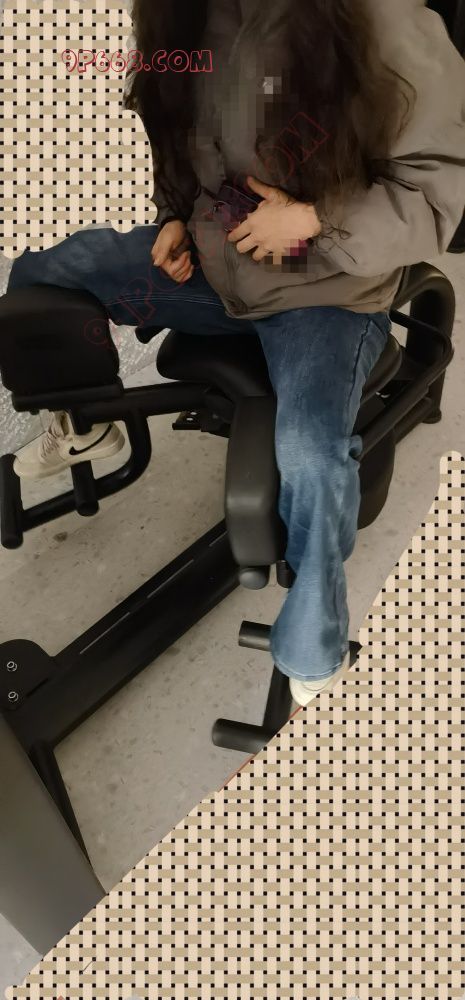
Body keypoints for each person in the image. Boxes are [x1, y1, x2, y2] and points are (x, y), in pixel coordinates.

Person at [5, 0, 465, 704]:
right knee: (44, 274)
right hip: (218, 262)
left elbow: (442, 177)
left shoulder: (378, 15)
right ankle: (84, 429)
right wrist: (174, 217)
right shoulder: (183, 14)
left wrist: (315, 220)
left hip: (327, 289)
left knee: (310, 452)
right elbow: (185, 137)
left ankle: (313, 644)